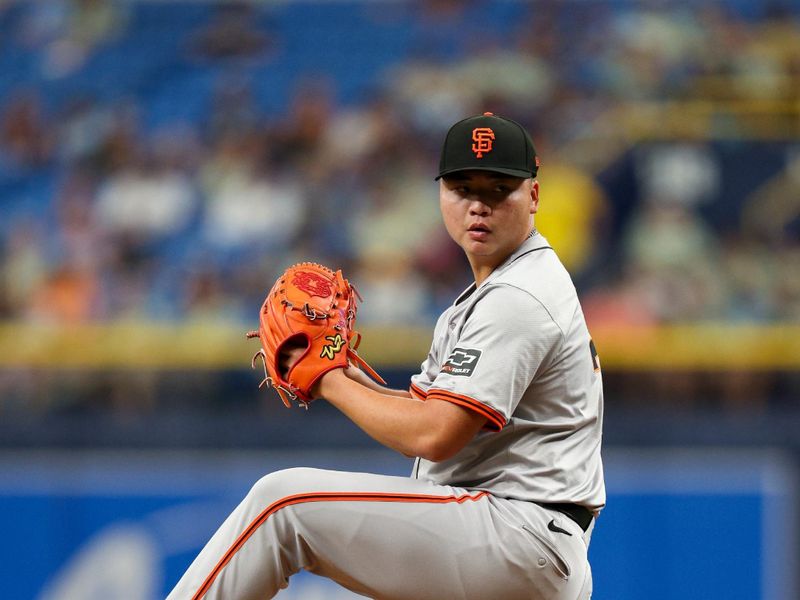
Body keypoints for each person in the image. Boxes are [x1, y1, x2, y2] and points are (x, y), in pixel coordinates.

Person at [168, 112, 605, 600]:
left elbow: (433, 434)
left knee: (282, 505)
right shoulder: (506, 286)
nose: (478, 205)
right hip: (516, 545)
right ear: (440, 196)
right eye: (462, 188)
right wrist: (348, 374)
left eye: (498, 188)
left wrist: (323, 375)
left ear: (534, 196)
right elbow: (429, 417)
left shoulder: (518, 295)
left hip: (515, 536)